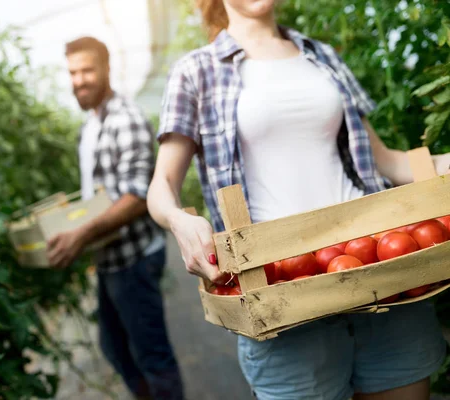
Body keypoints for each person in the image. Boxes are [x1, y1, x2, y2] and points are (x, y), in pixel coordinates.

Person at [147, 1, 450, 399]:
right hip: (283, 295)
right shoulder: (196, 71)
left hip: (380, 272)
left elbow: (386, 161)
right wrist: (179, 221)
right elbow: (161, 186)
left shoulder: (320, 55)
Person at [46, 36, 184, 400]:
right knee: (114, 346)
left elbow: (138, 197)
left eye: (87, 70)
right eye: (73, 72)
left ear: (107, 69)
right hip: (109, 257)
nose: (79, 79)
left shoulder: (126, 119)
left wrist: (80, 236)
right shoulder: (91, 126)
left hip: (133, 257)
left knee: (152, 355)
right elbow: (97, 194)